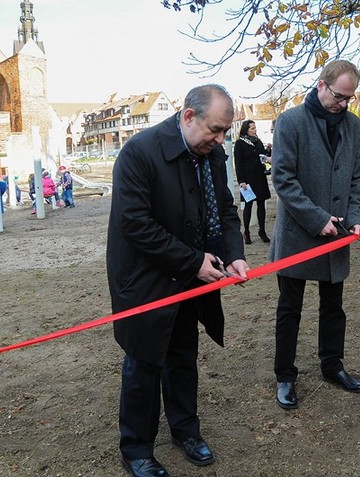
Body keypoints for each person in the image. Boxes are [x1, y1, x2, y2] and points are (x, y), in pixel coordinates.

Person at [106, 84, 249, 477]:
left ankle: (186, 430)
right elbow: (135, 224)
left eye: (225, 132)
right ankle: (136, 448)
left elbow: (223, 206)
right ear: (188, 116)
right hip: (145, 280)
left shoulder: (212, 154)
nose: (220, 140)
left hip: (191, 275)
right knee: (144, 363)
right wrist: (192, 261)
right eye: (215, 130)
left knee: (183, 354)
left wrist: (234, 253)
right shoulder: (139, 153)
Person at [269, 59, 360, 411]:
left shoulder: (354, 126)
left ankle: (332, 365)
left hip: (337, 234)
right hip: (299, 233)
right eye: (339, 96)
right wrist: (317, 218)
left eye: (349, 99)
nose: (343, 104)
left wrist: (355, 217)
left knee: (334, 307)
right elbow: (284, 179)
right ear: (321, 85)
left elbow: (359, 176)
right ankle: (285, 375)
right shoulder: (290, 121)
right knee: (289, 309)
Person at [234, 119, 271, 244]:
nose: (255, 130)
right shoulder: (240, 143)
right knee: (248, 206)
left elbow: (263, 155)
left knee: (261, 204)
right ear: (246, 130)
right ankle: (247, 232)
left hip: (260, 177)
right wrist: (241, 180)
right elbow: (238, 163)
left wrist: (269, 150)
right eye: (252, 128)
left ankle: (262, 231)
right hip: (247, 179)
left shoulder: (258, 141)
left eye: (255, 128)